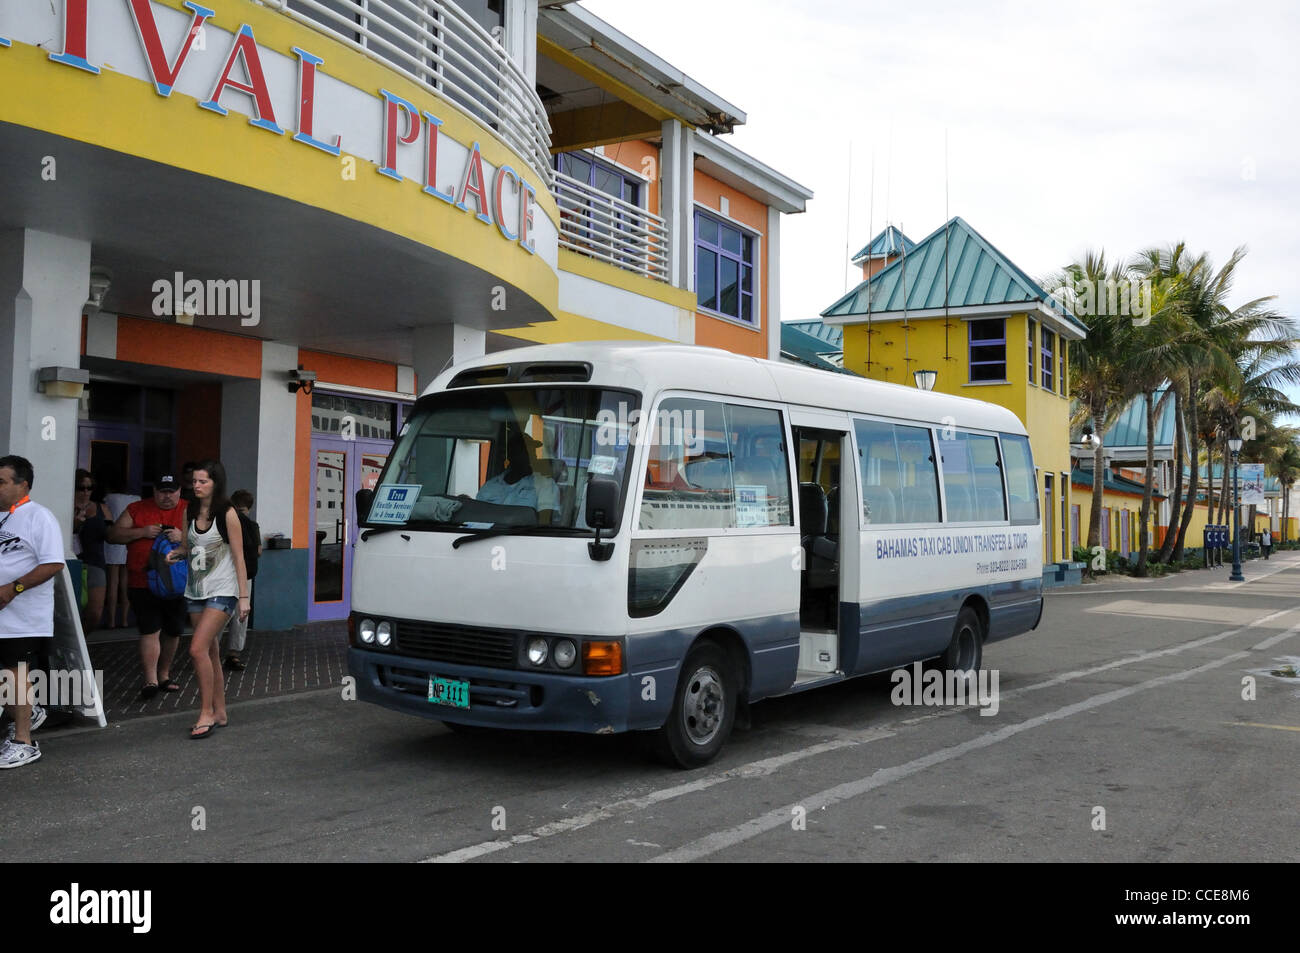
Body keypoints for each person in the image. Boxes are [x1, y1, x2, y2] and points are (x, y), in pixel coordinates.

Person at [168, 460, 248, 739]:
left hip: (222, 591)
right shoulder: (189, 511)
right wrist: (177, 553)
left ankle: (206, 713)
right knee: (211, 652)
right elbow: (188, 547)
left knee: (197, 649)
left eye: (203, 481)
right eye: (195, 481)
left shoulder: (227, 514)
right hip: (195, 591)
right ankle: (221, 711)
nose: (197, 486)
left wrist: (244, 597)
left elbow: (239, 556)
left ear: (216, 483)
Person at [0, 456, 66, 769]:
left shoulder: (40, 517)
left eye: (1, 482)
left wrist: (13, 589)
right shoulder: (2, 517)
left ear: (22, 485)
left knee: (15, 674)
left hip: (23, 617)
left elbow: (53, 563)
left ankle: (24, 742)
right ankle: (30, 712)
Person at [107, 473, 187, 698]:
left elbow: (209, 542)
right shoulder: (137, 509)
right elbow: (113, 535)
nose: (167, 496)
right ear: (154, 491)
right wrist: (141, 532)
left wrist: (183, 537)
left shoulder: (189, 509)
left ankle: (164, 675)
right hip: (142, 581)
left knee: (173, 630)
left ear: (180, 491)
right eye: (162, 491)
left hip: (177, 583)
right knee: (149, 629)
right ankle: (150, 680)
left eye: (171, 491)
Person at [475, 429, 558, 521]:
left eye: (533, 451)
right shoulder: (490, 485)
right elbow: (476, 517)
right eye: (525, 451)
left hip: (523, 535)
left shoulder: (545, 485)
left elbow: (544, 523)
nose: (533, 455)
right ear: (511, 455)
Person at [221, 489, 260, 671]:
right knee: (240, 617)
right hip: (245, 576)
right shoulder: (252, 525)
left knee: (220, 614)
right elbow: (258, 551)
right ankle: (234, 654)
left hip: (227, 575)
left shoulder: (225, 522)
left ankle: (210, 651)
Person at [72, 469, 112, 634]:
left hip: (95, 562)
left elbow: (112, 533)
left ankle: (81, 644)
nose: (86, 492)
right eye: (81, 488)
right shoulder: (65, 505)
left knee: (94, 614)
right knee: (71, 611)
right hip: (72, 562)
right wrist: (75, 523)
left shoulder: (101, 508)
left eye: (90, 487)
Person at [102, 480, 139, 629]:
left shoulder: (109, 498)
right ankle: (124, 620)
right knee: (125, 583)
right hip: (129, 540)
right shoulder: (136, 499)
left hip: (113, 543)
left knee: (113, 583)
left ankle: (111, 621)